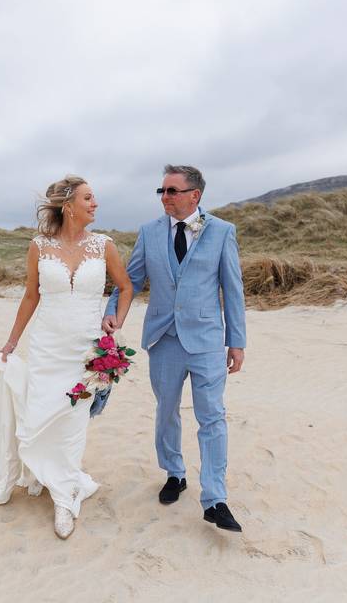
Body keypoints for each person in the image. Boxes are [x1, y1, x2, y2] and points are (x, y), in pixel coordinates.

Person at [0, 175, 133, 539]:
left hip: (85, 349)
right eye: (88, 198)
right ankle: (45, 475)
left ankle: (65, 499)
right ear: (68, 206)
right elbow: (31, 296)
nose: (95, 203)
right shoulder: (39, 246)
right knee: (36, 420)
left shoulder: (104, 246)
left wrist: (116, 320)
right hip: (47, 347)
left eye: (94, 197)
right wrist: (11, 341)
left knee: (72, 423)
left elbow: (126, 287)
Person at [103, 164, 247, 533]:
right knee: (166, 410)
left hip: (206, 341)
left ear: (194, 196)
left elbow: (233, 290)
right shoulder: (149, 233)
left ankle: (215, 498)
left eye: (172, 191)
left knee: (212, 416)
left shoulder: (222, 232)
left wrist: (237, 341)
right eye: (162, 191)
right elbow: (129, 281)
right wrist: (112, 316)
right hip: (163, 338)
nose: (164, 197)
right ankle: (175, 472)